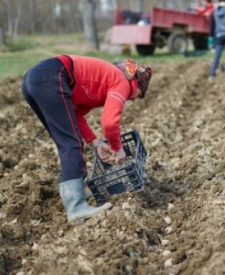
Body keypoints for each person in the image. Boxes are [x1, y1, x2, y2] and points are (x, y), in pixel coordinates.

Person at [21, 56, 152, 224]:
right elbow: (110, 123)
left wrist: (95, 142)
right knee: (71, 142)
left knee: (66, 140)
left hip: (35, 78)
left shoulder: (103, 81)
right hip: (51, 76)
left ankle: (75, 196)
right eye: (138, 95)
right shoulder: (122, 83)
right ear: (135, 83)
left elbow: (75, 114)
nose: (133, 99)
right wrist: (117, 147)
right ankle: (76, 207)